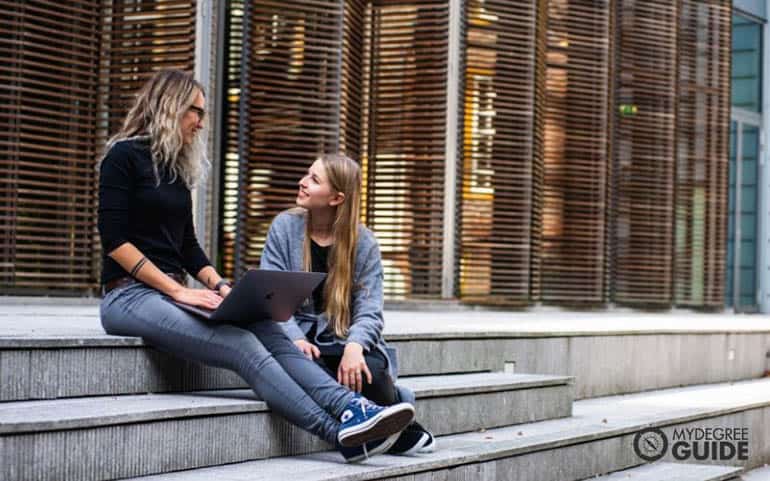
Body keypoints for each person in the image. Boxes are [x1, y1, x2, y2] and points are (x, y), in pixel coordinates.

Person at [97, 69, 415, 463]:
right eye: (195, 111)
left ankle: (351, 408)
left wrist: (223, 288)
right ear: (169, 106)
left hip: (173, 294)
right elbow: (114, 242)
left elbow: (188, 247)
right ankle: (338, 433)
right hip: (128, 296)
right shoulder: (122, 157)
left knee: (264, 324)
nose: (201, 121)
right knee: (242, 345)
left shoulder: (175, 171)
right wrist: (178, 290)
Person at [260, 153, 436, 455]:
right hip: (296, 337)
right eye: (306, 174)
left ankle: (385, 412)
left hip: (341, 339)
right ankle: (398, 425)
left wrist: (355, 347)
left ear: (336, 198)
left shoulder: (364, 242)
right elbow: (272, 294)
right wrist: (296, 338)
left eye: (314, 180)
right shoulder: (284, 226)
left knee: (370, 370)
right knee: (303, 366)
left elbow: (370, 310)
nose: (302, 183)